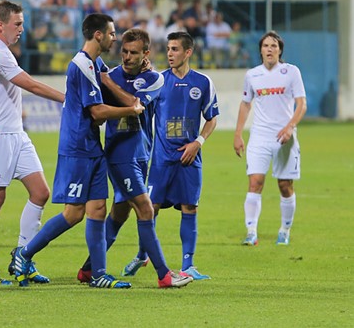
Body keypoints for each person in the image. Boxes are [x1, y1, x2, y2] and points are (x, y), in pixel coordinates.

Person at [11, 13, 144, 289]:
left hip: (92, 145)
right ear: (98, 35)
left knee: (97, 208)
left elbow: (108, 84)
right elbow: (96, 111)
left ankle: (98, 274)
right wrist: (130, 109)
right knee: (74, 213)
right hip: (77, 147)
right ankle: (23, 254)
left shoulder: (95, 63)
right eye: (111, 33)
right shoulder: (81, 65)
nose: (114, 37)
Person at [75, 28, 193, 288]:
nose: (127, 57)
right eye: (124, 52)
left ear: (146, 54)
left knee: (119, 215)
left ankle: (87, 270)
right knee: (146, 208)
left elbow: (136, 103)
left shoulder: (154, 79)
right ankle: (164, 275)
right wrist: (105, 80)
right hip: (120, 155)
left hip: (141, 155)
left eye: (134, 53)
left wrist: (108, 82)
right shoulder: (110, 75)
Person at [0, 0, 65, 286]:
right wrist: (67, 98)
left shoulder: (6, 52)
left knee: (40, 192)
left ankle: (23, 256)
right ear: (0, 25)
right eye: (17, 24)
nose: (22, 29)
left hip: (16, 134)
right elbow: (31, 84)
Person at [122, 31, 219, 281]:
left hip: (190, 157)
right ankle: (143, 254)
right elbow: (140, 108)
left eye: (175, 49)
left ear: (188, 52)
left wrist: (198, 142)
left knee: (190, 207)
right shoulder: (158, 81)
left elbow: (212, 118)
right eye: (168, 49)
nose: (170, 54)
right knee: (150, 209)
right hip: (162, 159)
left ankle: (188, 265)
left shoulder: (203, 82)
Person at [233, 31, 307, 246]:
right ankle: (251, 231)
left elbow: (301, 104)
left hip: (285, 136)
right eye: (265, 45)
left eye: (273, 45)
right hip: (259, 136)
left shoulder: (291, 72)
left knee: (285, 185)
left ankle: (284, 229)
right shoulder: (252, 75)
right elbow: (246, 104)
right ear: (261, 50)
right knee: (255, 182)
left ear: (280, 50)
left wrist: (290, 126)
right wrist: (238, 134)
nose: (269, 49)